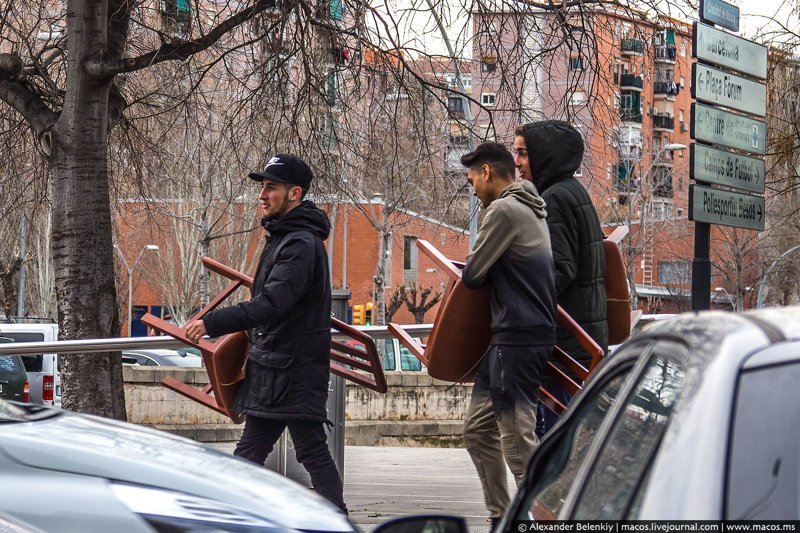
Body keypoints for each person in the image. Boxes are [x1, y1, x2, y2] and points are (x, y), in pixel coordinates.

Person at [185, 154, 346, 513]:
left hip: (289, 369)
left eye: (271, 188)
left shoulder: (300, 244)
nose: (262, 195)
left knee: (296, 453)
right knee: (272, 452)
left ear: (295, 193)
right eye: (263, 187)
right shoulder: (286, 238)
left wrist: (211, 323)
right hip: (277, 367)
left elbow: (272, 303)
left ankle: (335, 521)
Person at [459, 142, 556, 528]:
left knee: (517, 441)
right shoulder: (531, 209)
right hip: (520, 334)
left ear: (487, 172)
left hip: (516, 336)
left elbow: (474, 273)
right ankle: (502, 517)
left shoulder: (503, 211)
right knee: (477, 429)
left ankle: (539, 519)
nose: (472, 189)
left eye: (472, 180)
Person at [513, 120, 608, 437]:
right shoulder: (573, 193)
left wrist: (519, 299)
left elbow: (558, 269)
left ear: (545, 156)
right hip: (578, 342)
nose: (517, 163)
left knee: (556, 442)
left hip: (564, 348)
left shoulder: (554, 199)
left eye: (523, 154)